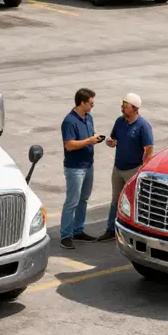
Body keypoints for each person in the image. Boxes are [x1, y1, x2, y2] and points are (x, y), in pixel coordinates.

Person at [98, 93, 153, 241]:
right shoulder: (120, 122)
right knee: (115, 200)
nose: (122, 108)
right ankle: (110, 229)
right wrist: (111, 142)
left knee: (134, 201)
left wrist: (143, 168)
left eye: (125, 106)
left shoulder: (143, 126)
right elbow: (114, 138)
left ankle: (136, 231)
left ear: (134, 108)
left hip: (133, 170)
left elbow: (148, 148)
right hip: (118, 169)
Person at [59, 88, 102, 250]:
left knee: (83, 199)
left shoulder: (88, 118)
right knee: (72, 201)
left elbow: (89, 135)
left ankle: (78, 230)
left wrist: (95, 138)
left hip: (88, 165)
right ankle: (65, 235)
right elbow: (69, 145)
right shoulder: (69, 121)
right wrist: (88, 141)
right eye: (91, 103)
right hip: (75, 168)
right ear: (82, 103)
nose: (92, 106)